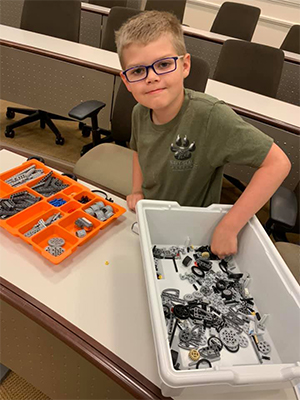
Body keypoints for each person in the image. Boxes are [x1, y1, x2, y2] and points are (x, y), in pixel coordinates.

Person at [115, 11, 291, 259]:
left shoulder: (209, 116)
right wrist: (137, 190)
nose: (152, 77)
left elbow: (278, 163)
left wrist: (230, 225)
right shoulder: (139, 111)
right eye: (137, 71)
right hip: (152, 216)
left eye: (164, 64)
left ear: (185, 65)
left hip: (194, 231)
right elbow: (138, 150)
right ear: (126, 81)